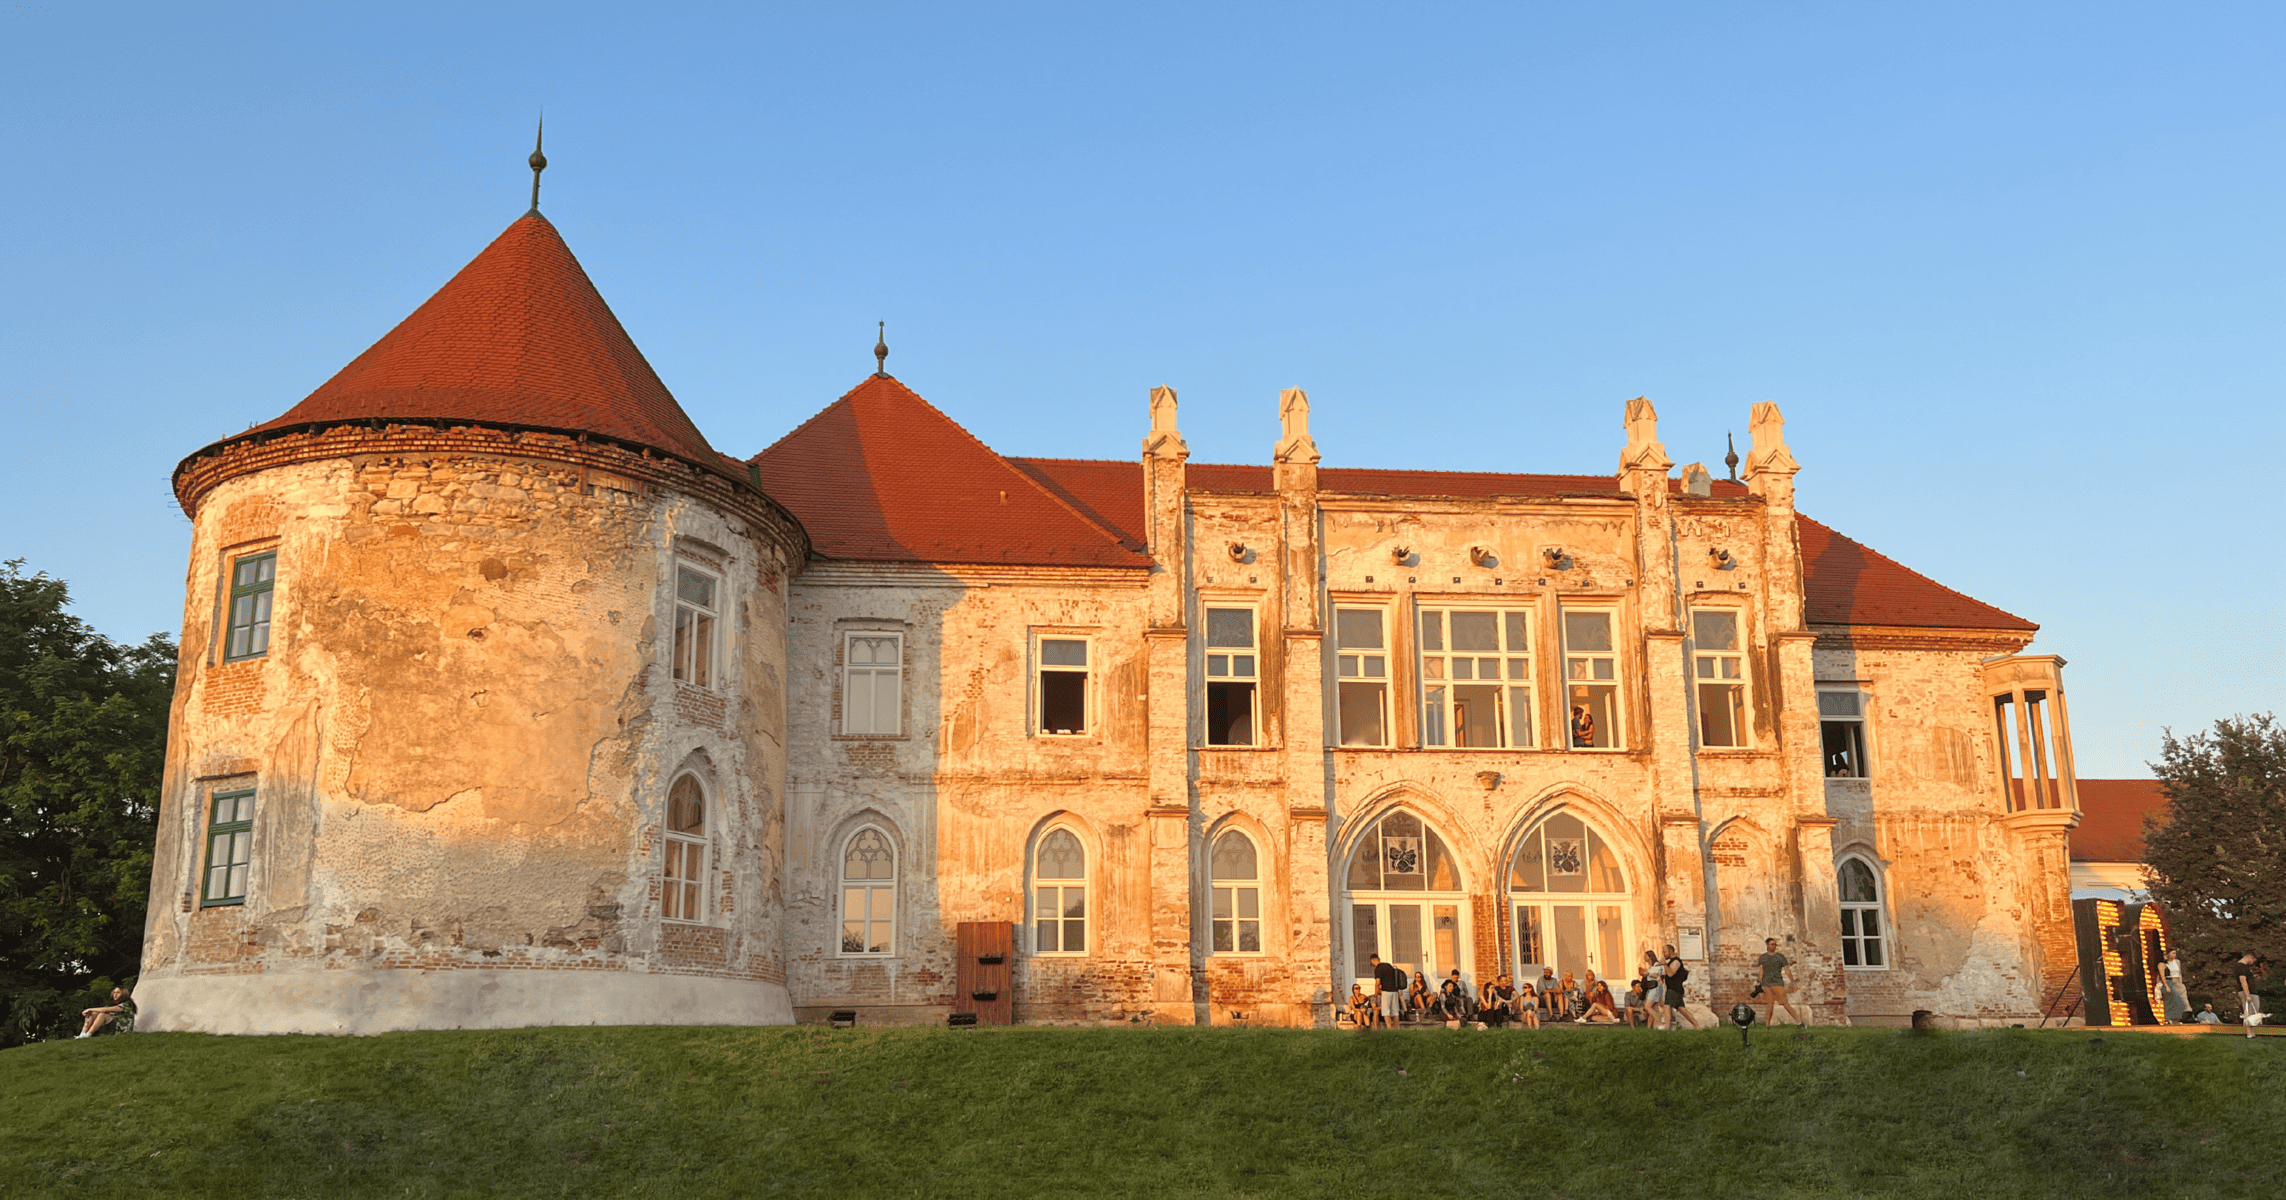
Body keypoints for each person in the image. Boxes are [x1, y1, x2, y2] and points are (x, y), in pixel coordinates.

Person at [1756, 937, 1807, 1028]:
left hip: (1778, 983)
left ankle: (1799, 1023)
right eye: (1772, 944)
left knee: (1785, 1004)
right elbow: (1761, 971)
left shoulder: (1780, 956)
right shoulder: (1762, 957)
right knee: (1770, 1005)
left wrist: (1792, 982)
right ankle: (1767, 1026)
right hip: (1766, 984)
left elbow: (1787, 970)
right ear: (1767, 945)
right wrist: (1759, 982)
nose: (1774, 946)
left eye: (1775, 944)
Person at [1662, 944, 1702, 1030]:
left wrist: (1664, 964)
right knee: (1682, 1010)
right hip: (1673, 989)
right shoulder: (1671, 962)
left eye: (1665, 951)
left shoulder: (1676, 961)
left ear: (1671, 951)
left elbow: (1670, 973)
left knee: (1667, 1007)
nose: (1663, 954)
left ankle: (1666, 1029)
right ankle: (1697, 1026)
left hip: (1674, 989)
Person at [1370, 953, 1406, 1029]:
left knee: (1386, 1011)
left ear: (1372, 961)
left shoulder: (1378, 968)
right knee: (1395, 1011)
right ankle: (1397, 1028)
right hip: (1394, 991)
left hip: (1386, 991)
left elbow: (1378, 982)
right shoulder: (1388, 965)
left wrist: (1376, 993)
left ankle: (1389, 1028)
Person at [2236, 951, 2265, 1037]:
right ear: (2249, 958)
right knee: (2249, 1014)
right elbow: (2243, 981)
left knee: (2253, 1014)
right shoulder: (2240, 967)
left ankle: (2252, 1033)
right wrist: (2247, 995)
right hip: (2248, 993)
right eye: (2252, 961)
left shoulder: (2243, 967)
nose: (2252, 963)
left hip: (2251, 993)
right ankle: (2249, 1034)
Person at [2157, 948, 2188, 1023]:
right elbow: (2162, 976)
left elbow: (2179, 973)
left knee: (2179, 1001)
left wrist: (2180, 983)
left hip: (2177, 982)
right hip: (2169, 981)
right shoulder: (2162, 964)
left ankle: (2178, 1018)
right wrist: (2166, 985)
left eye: (2175, 953)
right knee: (2171, 1000)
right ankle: (2170, 1018)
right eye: (2172, 953)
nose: (2174, 955)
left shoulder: (2177, 962)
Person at [1640, 950, 1668, 1031]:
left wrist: (1647, 973)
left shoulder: (1657, 965)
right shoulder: (1651, 966)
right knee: (1654, 1008)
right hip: (1653, 988)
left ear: (1650, 956)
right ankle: (1652, 1028)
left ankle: (1659, 1022)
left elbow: (1657, 975)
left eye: (1646, 956)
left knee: (1647, 1006)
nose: (1644, 957)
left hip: (1655, 988)